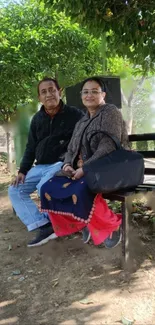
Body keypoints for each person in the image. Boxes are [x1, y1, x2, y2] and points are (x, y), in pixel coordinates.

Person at [40, 76, 129, 248]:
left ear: (103, 94)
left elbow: (107, 146)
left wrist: (86, 168)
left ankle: (112, 226)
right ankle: (81, 222)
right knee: (48, 188)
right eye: (85, 92)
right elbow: (72, 149)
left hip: (106, 167)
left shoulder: (110, 112)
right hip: (80, 168)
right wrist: (66, 164)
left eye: (94, 91)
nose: (89, 95)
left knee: (81, 188)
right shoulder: (82, 121)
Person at [8, 77, 84, 247]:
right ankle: (45, 225)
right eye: (44, 92)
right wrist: (22, 171)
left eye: (52, 90)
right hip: (40, 166)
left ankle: (57, 223)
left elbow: (84, 141)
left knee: (45, 185)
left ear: (59, 92)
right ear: (39, 98)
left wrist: (76, 161)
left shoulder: (75, 114)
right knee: (15, 189)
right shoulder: (37, 119)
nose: (49, 94)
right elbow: (30, 147)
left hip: (62, 163)